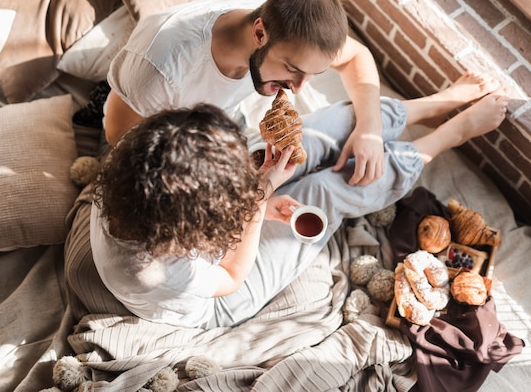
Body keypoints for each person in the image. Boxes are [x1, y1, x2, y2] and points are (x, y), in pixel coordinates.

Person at [89, 72, 509, 329]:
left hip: (183, 220)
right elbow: (231, 276)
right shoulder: (159, 271)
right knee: (320, 193)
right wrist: (260, 196)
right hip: (219, 295)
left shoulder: (141, 152)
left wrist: (257, 180)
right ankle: (446, 137)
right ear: (207, 217)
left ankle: (427, 107)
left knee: (302, 137)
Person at [103, 0, 386, 186]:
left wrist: (371, 130)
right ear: (260, 33)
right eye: (291, 69)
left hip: (216, 126)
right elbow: (117, 137)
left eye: (313, 75)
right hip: (163, 144)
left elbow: (356, 56)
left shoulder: (286, 21)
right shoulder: (160, 68)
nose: (298, 88)